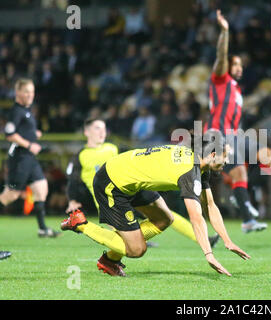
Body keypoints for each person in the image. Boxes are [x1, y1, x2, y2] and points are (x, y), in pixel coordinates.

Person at [61, 138, 249, 277]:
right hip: (112, 182)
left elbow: (209, 205)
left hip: (130, 175)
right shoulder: (189, 172)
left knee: (164, 219)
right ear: (213, 155)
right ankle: (80, 223)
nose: (227, 161)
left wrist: (227, 240)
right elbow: (197, 217)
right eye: (226, 156)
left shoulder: (198, 163)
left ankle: (110, 260)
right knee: (136, 250)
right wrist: (209, 254)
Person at [66, 118, 220, 250]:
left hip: (130, 186)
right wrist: (72, 199)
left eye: (104, 128)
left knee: (166, 215)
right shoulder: (81, 155)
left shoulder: (111, 148)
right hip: (108, 196)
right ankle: (83, 226)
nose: (102, 132)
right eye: (97, 128)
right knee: (128, 245)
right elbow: (72, 179)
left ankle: (202, 238)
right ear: (87, 132)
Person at [204, 10, 271, 233]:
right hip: (218, 133)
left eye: (240, 65)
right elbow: (220, 55)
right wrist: (225, 32)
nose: (239, 67)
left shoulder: (236, 89)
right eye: (235, 64)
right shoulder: (220, 79)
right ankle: (246, 214)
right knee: (238, 173)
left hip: (236, 133)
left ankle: (241, 197)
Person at [0, 78, 60, 238]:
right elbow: (9, 134)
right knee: (11, 195)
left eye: (31, 92)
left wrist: (34, 134)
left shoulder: (27, 110)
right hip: (19, 158)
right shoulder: (16, 111)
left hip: (30, 159)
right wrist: (29, 144)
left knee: (41, 188)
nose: (30, 95)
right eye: (26, 91)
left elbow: (21, 131)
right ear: (18, 93)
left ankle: (42, 229)